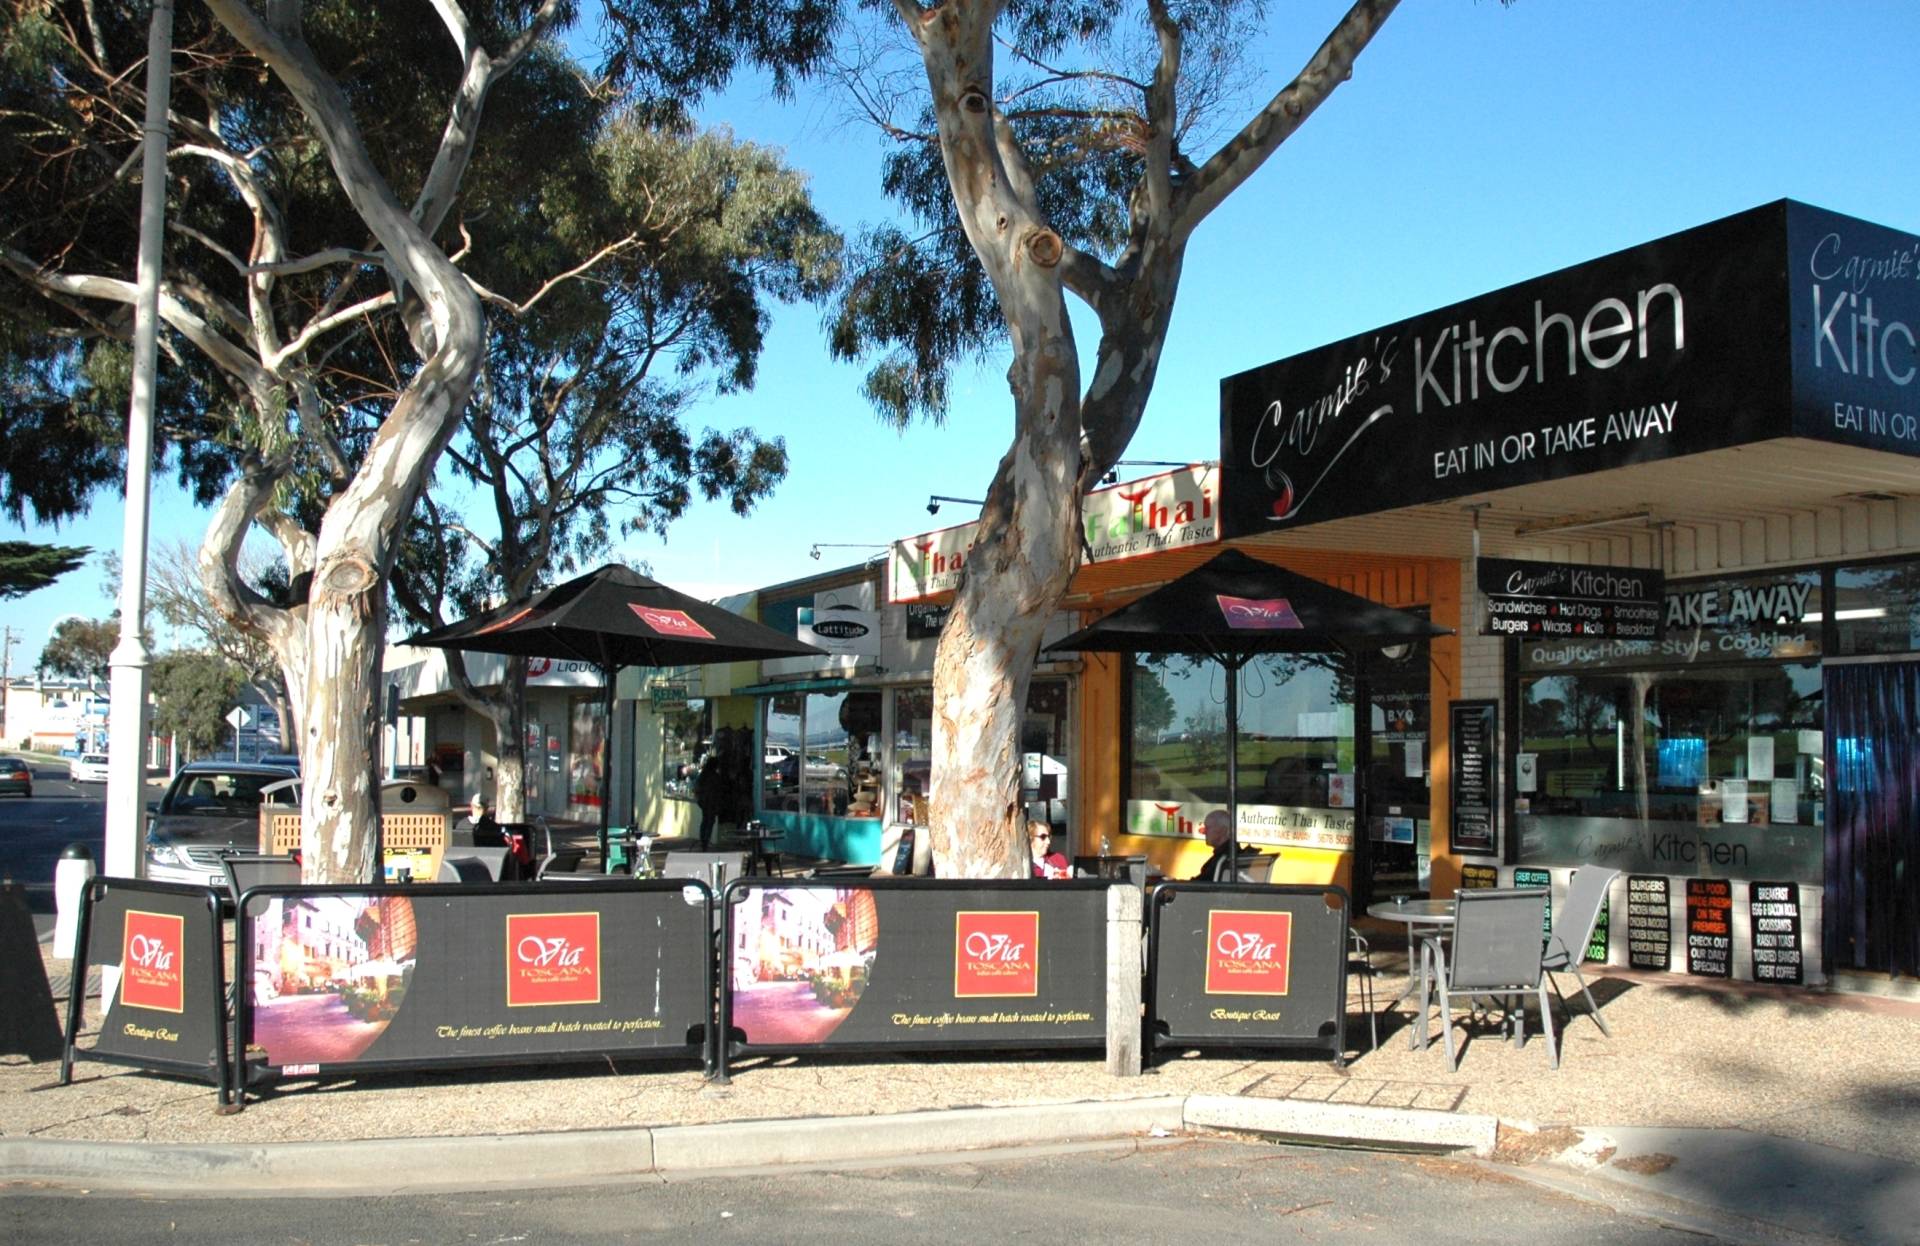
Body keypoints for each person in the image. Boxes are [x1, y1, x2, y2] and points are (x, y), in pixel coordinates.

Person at [694, 728, 731, 849]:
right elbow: (718, 789)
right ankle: (705, 841)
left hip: (704, 801)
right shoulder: (714, 776)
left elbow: (698, 787)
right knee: (709, 821)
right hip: (710, 802)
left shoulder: (703, 775)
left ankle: (703, 841)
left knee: (705, 820)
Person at [1191, 809, 1239, 881]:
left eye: (1208, 828)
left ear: (1222, 830)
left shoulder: (1226, 858)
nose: (1204, 832)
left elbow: (1205, 883)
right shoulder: (1227, 855)